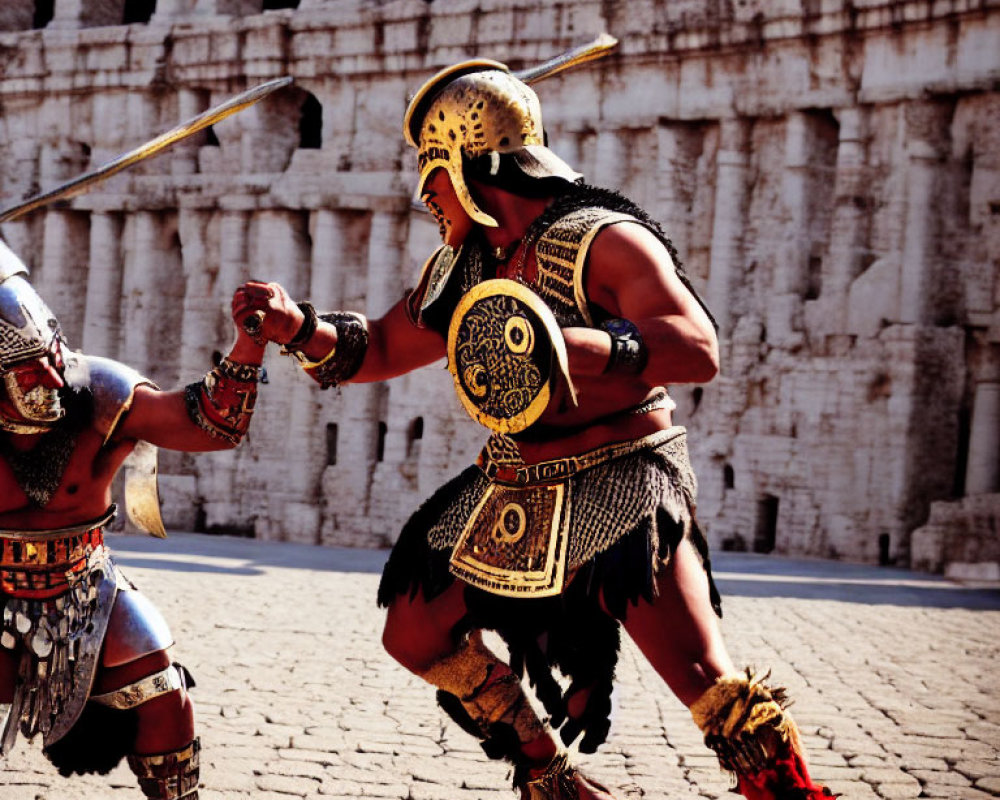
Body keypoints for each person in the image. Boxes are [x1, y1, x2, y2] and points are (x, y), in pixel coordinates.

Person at [234, 58, 832, 800]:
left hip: (620, 474)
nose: (426, 194)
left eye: (432, 171)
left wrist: (583, 346)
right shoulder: (464, 265)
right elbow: (381, 348)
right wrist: (303, 329)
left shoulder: (604, 239)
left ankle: (790, 795)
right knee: (415, 629)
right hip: (517, 478)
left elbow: (697, 348)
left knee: (710, 686)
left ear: (463, 165)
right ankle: (550, 778)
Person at [0, 237, 265, 799]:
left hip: (82, 590)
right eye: (27, 372)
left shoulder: (99, 394)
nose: (52, 380)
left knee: (165, 696)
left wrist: (248, 346)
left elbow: (210, 423)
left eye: (53, 356)